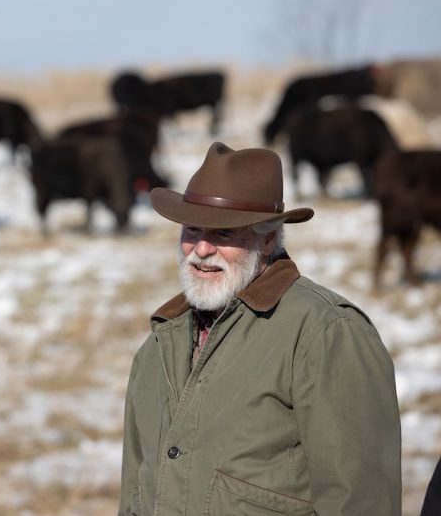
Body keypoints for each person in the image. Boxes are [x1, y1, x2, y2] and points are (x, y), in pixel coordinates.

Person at [119, 142, 401, 515]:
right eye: (192, 229)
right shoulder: (159, 343)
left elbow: (361, 502)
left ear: (268, 237)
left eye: (224, 233)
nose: (201, 248)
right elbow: (135, 494)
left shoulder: (326, 334)